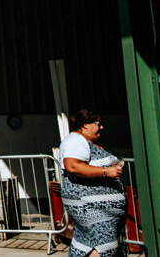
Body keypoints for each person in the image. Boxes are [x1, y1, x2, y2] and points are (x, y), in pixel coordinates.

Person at [59, 109, 126, 257]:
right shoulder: (75, 141)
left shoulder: (85, 141)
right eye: (98, 123)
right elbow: (73, 166)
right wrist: (106, 172)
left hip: (100, 209)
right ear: (86, 125)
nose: (101, 127)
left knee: (89, 244)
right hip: (91, 208)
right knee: (102, 245)